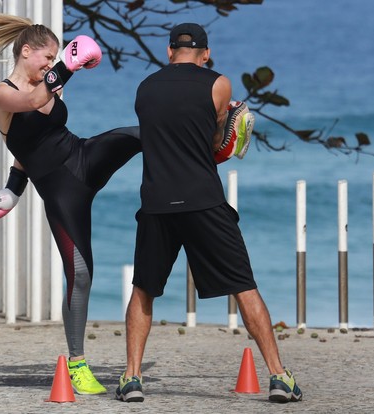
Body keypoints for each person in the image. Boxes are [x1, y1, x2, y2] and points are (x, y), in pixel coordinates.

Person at [115, 23, 302, 404]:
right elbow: (216, 143)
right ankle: (279, 377)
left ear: (169, 52)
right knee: (243, 286)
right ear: (205, 53)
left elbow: (162, 134)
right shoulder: (219, 84)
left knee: (144, 289)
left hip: (156, 201)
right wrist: (231, 125)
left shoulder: (145, 88)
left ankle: (132, 378)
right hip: (202, 199)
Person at [0, 12, 141, 395]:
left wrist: (62, 70)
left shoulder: (51, 84)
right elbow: (29, 118)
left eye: (55, 59)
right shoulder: (2, 94)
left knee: (138, 134)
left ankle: (212, 145)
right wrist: (13, 191)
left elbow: (43, 128)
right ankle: (77, 363)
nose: (50, 63)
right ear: (26, 52)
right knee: (80, 275)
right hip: (62, 193)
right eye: (47, 57)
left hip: (83, 157)